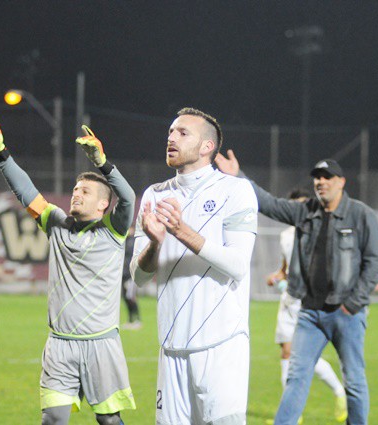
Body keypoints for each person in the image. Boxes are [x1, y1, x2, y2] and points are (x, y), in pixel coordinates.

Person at [0, 115, 136, 425]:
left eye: (85, 192)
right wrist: (0, 152)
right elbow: (25, 190)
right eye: (75, 189)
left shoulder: (113, 231)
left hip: (101, 344)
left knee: (109, 421)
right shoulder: (56, 223)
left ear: (103, 205)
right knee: (52, 420)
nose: (76, 193)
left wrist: (102, 163)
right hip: (59, 344)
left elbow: (127, 197)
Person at [215, 152, 378, 425]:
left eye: (327, 177)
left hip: (346, 314)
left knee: (354, 381)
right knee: (296, 378)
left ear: (341, 182)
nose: (321, 182)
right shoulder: (305, 211)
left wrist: (353, 304)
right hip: (309, 314)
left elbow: (375, 263)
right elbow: (269, 204)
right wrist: (238, 177)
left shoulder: (361, 215)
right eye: (317, 178)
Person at [130, 108, 258, 425]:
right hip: (171, 347)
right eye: (170, 132)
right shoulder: (154, 195)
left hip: (222, 346)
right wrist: (155, 243)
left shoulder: (235, 190)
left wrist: (182, 231)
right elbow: (139, 277)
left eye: (183, 133)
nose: (171, 138)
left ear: (207, 147)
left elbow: (238, 265)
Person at [266, 189, 347, 424]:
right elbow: (285, 268)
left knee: (301, 357)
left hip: (307, 301)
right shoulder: (285, 235)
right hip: (288, 301)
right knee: (286, 353)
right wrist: (277, 276)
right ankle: (293, 415)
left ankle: (339, 391)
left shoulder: (318, 233)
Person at [121, 227, 141, 330]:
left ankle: (137, 320)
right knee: (126, 298)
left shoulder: (133, 242)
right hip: (123, 275)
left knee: (131, 297)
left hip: (130, 276)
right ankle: (130, 320)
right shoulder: (125, 241)